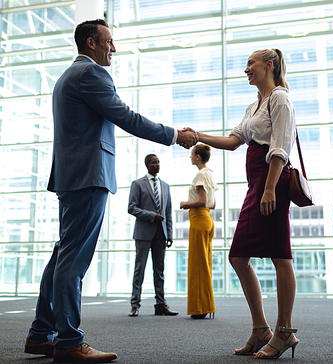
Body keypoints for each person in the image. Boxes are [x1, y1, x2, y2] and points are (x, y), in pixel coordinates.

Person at [24, 19, 196, 363]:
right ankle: (69, 341)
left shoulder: (66, 77)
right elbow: (126, 117)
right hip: (88, 177)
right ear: (91, 43)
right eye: (109, 41)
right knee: (72, 260)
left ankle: (41, 334)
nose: (113, 48)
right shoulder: (91, 74)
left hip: (72, 176)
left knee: (62, 255)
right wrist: (174, 135)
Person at [189, 48, 299, 359]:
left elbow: (281, 147)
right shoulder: (254, 105)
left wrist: (270, 188)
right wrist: (198, 135)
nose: (246, 69)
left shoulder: (280, 98)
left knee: (280, 256)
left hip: (271, 182)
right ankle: (260, 329)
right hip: (257, 185)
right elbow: (234, 141)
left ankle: (285, 331)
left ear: (269, 65)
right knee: (238, 256)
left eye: (250, 63)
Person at [128, 154, 178, 317]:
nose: (157, 165)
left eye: (158, 162)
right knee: (139, 270)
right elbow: (132, 208)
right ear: (147, 165)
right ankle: (135, 305)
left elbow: (168, 212)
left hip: (160, 234)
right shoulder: (137, 184)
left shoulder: (165, 186)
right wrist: (152, 216)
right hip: (143, 233)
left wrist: (169, 234)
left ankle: (160, 305)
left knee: (160, 271)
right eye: (153, 162)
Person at [180, 144, 218, 319]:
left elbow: (202, 201)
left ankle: (200, 308)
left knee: (197, 264)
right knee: (205, 263)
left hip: (199, 219)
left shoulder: (201, 174)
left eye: (191, 154)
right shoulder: (209, 174)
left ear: (197, 157)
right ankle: (205, 305)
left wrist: (185, 203)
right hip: (207, 219)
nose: (190, 157)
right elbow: (212, 204)